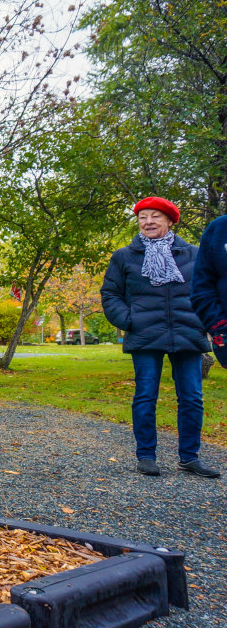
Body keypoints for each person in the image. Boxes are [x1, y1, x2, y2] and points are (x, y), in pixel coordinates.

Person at [100, 197, 219, 478]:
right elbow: (111, 294)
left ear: (169, 221)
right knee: (145, 396)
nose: (149, 222)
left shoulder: (194, 254)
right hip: (144, 333)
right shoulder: (124, 256)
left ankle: (190, 457)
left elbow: (209, 290)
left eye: (155, 216)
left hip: (188, 332)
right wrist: (129, 321)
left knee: (192, 397)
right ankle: (146, 456)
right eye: (143, 217)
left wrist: (205, 321)